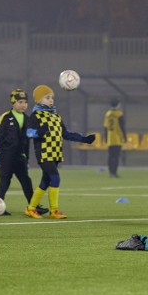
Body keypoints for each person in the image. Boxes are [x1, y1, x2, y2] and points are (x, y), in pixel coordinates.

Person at [24, 85, 96, 219]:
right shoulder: (35, 116)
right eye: (47, 98)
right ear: (38, 100)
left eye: (52, 97)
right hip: (44, 153)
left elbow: (66, 134)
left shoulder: (56, 115)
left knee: (45, 182)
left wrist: (84, 139)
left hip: (56, 152)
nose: (51, 100)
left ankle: (31, 208)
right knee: (55, 178)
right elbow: (29, 133)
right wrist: (39, 131)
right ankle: (54, 211)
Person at [0, 89, 48, 216]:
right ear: (13, 103)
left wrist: (26, 158)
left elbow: (27, 141)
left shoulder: (28, 119)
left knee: (26, 182)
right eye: (20, 102)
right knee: (5, 181)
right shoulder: (5, 117)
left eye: (25, 102)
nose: (23, 105)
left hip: (20, 157)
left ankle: (34, 207)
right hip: (6, 156)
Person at [103, 98, 126, 178]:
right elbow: (122, 126)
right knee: (116, 156)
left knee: (110, 156)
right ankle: (114, 172)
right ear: (118, 104)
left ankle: (110, 172)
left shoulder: (108, 114)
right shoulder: (119, 114)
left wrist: (105, 137)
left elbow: (105, 126)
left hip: (110, 138)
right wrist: (124, 136)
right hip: (117, 138)